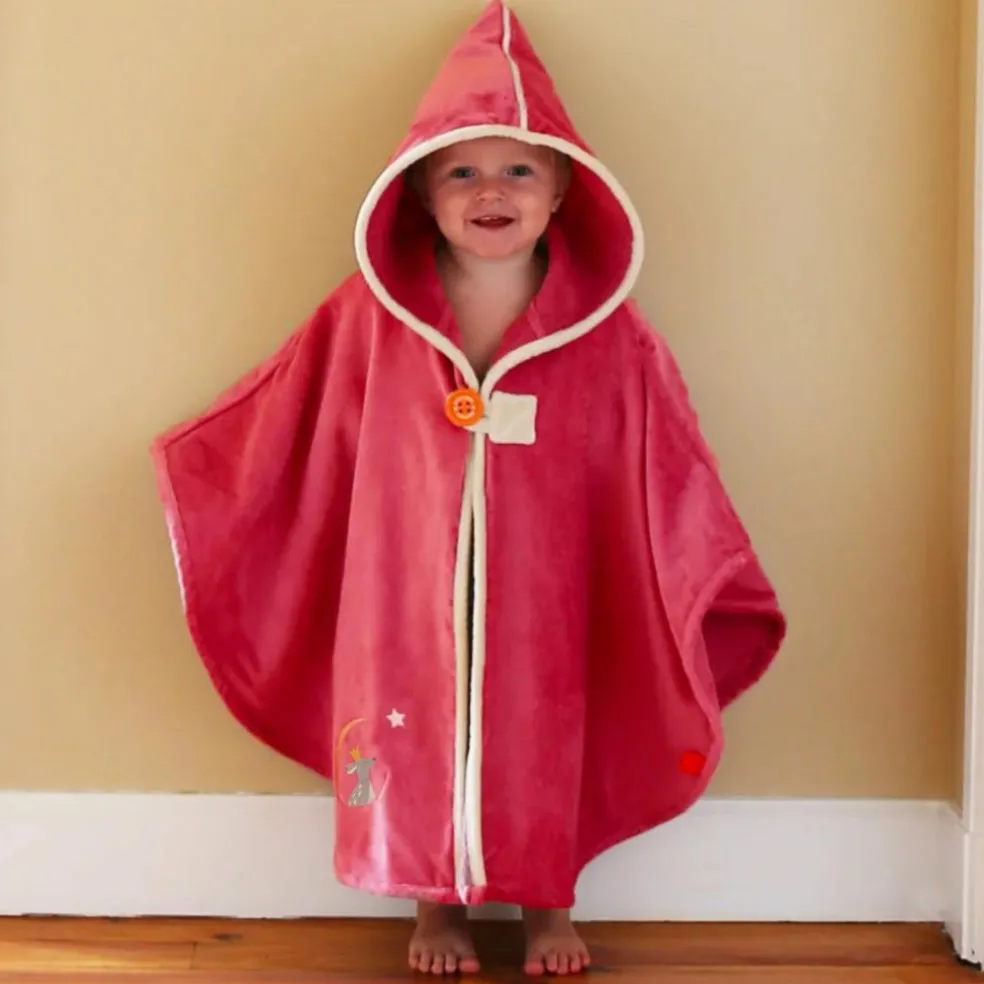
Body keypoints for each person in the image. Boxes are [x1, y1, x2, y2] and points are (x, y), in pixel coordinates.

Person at [150, 0, 786, 977]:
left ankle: (547, 910)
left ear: (564, 188)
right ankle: (433, 907)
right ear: (419, 192)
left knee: (544, 728)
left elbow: (665, 453)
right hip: (406, 580)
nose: (491, 190)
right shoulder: (372, 314)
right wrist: (203, 465)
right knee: (413, 724)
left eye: (518, 170)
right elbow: (295, 416)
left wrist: (705, 561)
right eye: (461, 172)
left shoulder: (607, 330)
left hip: (551, 584)